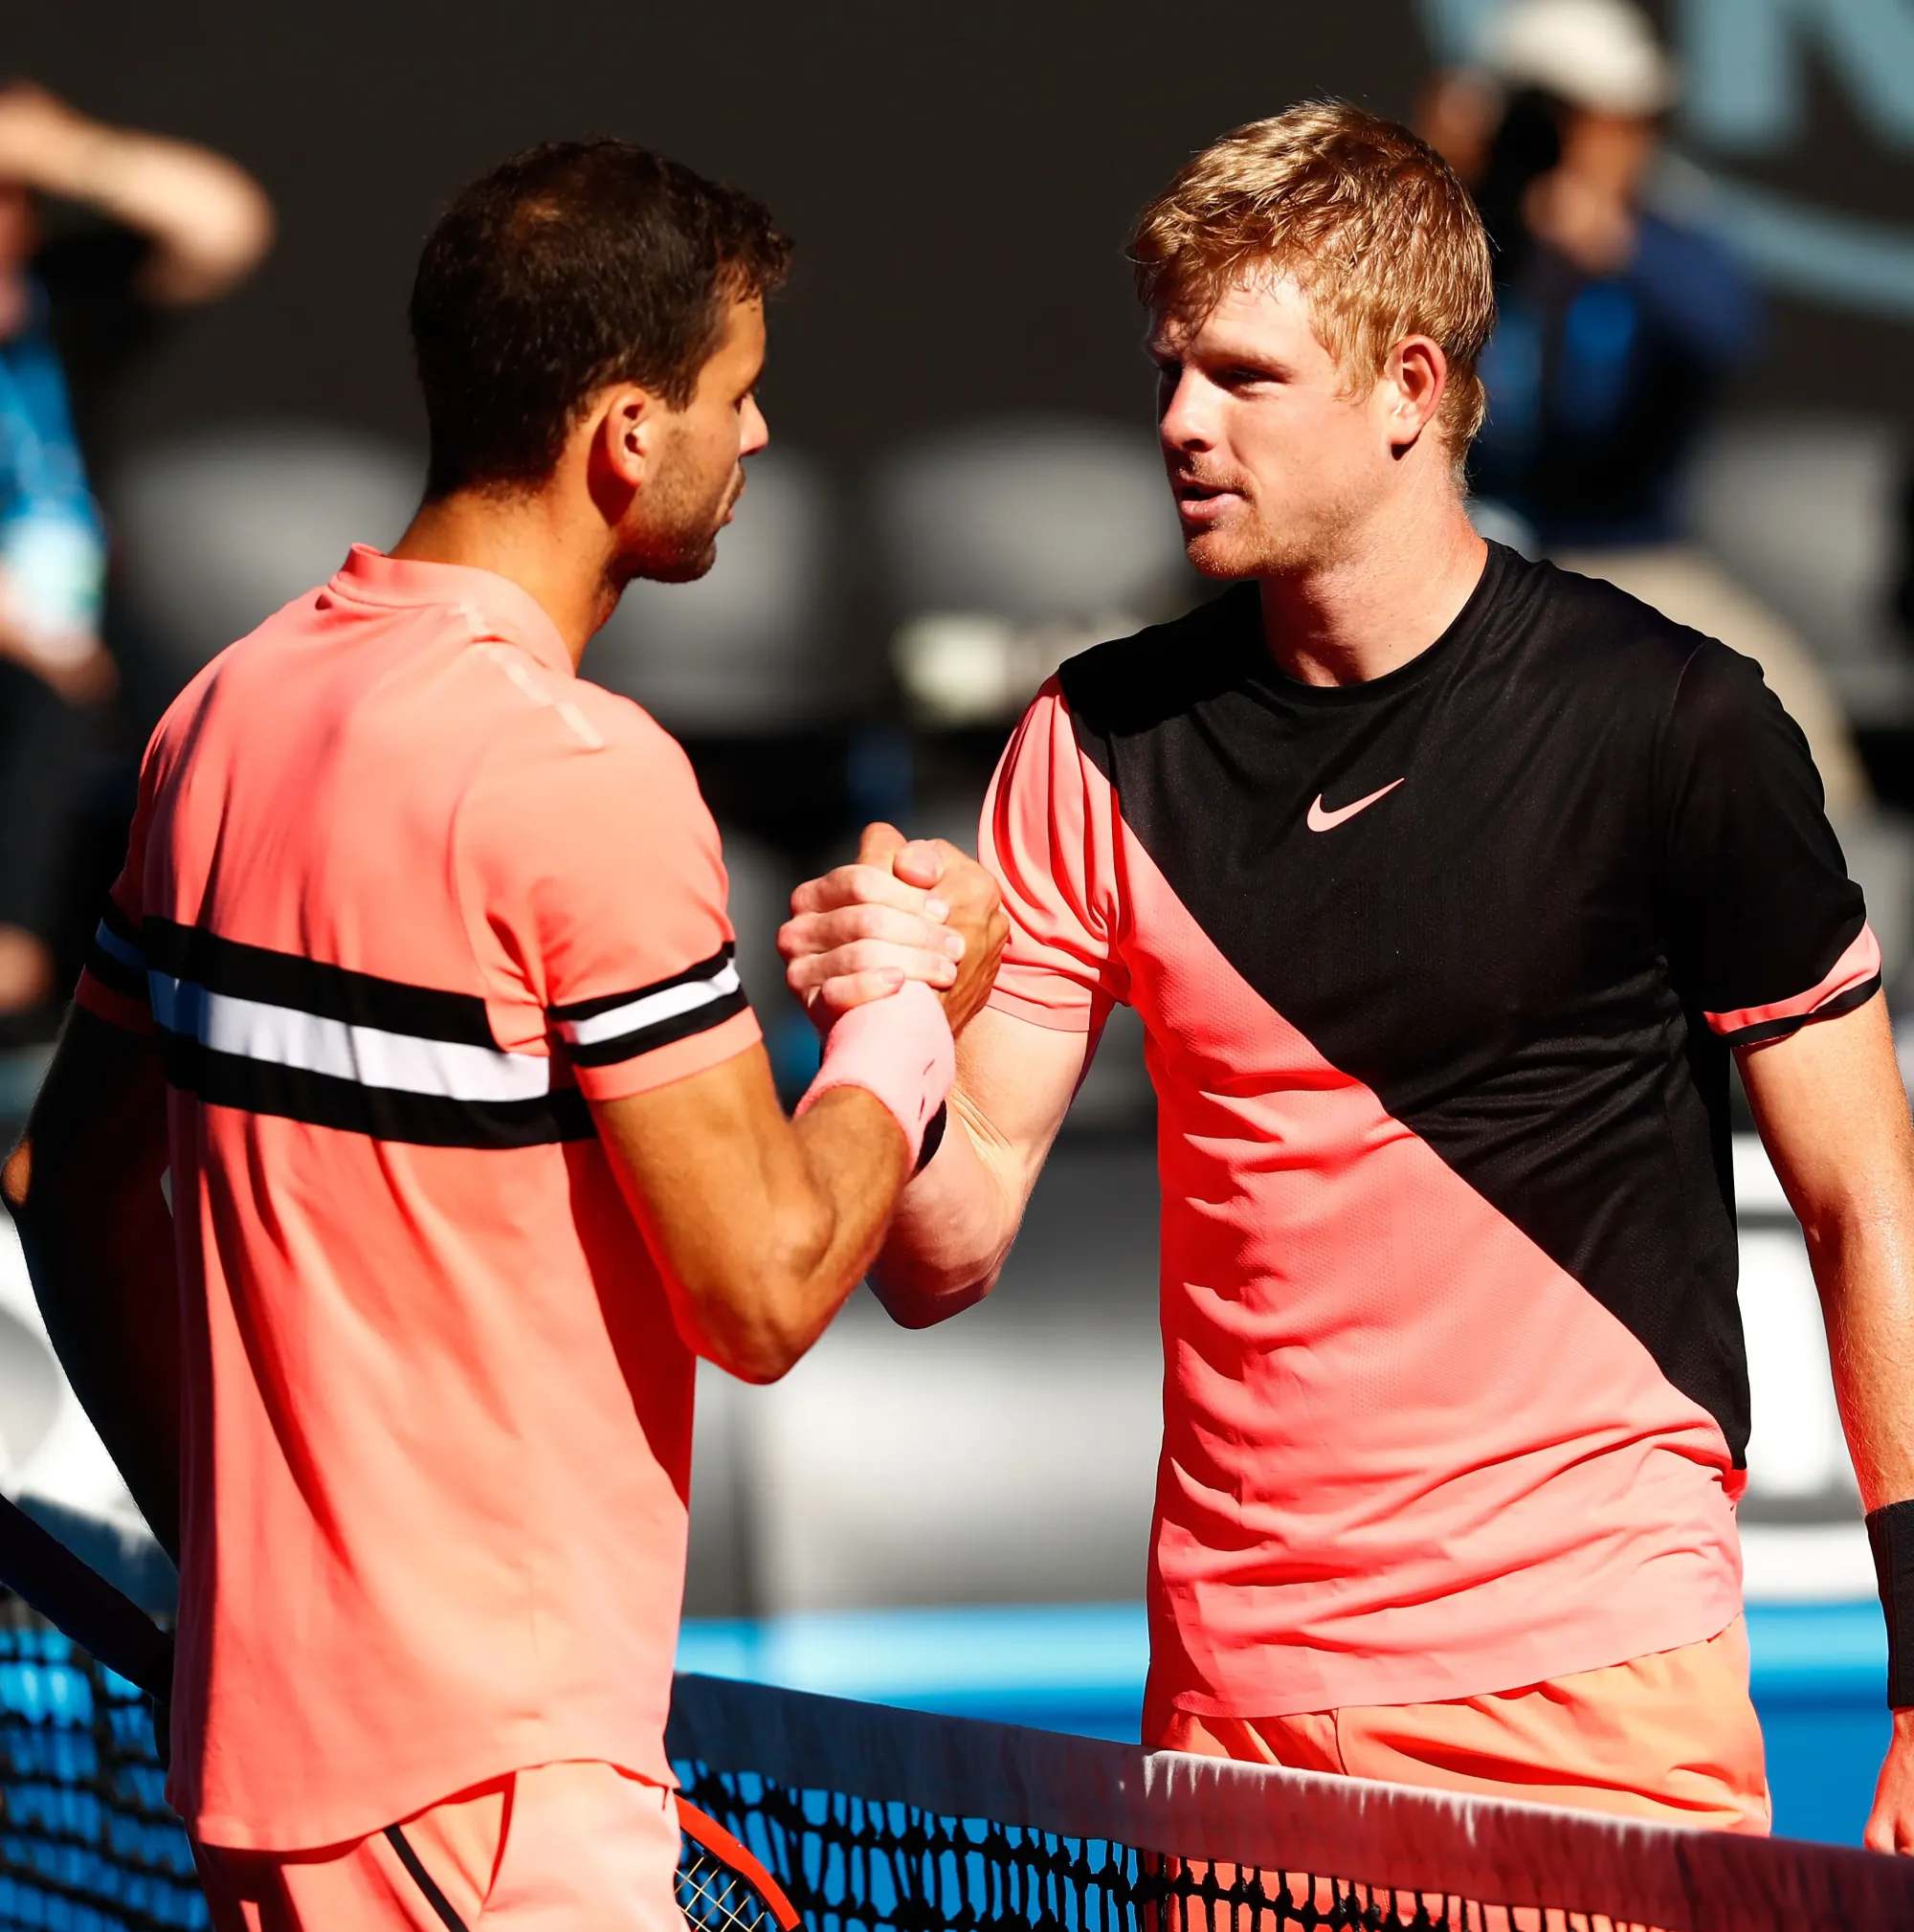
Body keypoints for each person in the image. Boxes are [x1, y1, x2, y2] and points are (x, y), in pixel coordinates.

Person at [780, 102, 1914, 1852]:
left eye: (1244, 377)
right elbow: (946, 1253)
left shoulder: (1676, 724)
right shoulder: (1093, 744)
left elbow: (1864, 1203)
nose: (1181, 420)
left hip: (1597, 1705)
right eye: (1171, 370)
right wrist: (892, 1030)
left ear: (1408, 388)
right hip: (1237, 1728)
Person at [3, 140, 998, 1930]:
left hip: (301, 1771)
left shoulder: (218, 717)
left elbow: (75, 1193)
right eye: (736, 394)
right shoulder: (582, 777)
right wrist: (905, 1015)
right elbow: (764, 1286)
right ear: (626, 434)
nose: (758, 435)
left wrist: (243, 1584)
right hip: (481, 1799)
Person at [1432, 0, 1870, 825]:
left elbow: (1732, 331)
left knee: (1788, 737)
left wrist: (1613, 245)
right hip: (1455, 558)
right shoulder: (1448, 230)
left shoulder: (1667, 233)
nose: (1618, 142)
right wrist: (1430, 177)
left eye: (1634, 120)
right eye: (1581, 119)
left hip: (1628, 557)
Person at [0, 82, 271, 1029]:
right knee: (37, 705)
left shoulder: (59, 307)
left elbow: (224, 225)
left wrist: (66, 152)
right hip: (24, 650)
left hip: (87, 614)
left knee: (209, 732)